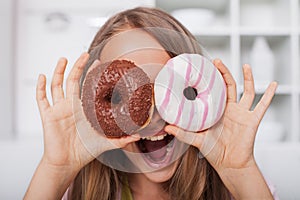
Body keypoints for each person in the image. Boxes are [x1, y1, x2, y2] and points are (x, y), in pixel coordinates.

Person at [24, 7, 278, 200]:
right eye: (122, 95)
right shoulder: (72, 191)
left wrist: (242, 173)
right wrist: (55, 170)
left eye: (170, 86)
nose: (153, 113)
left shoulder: (245, 187)